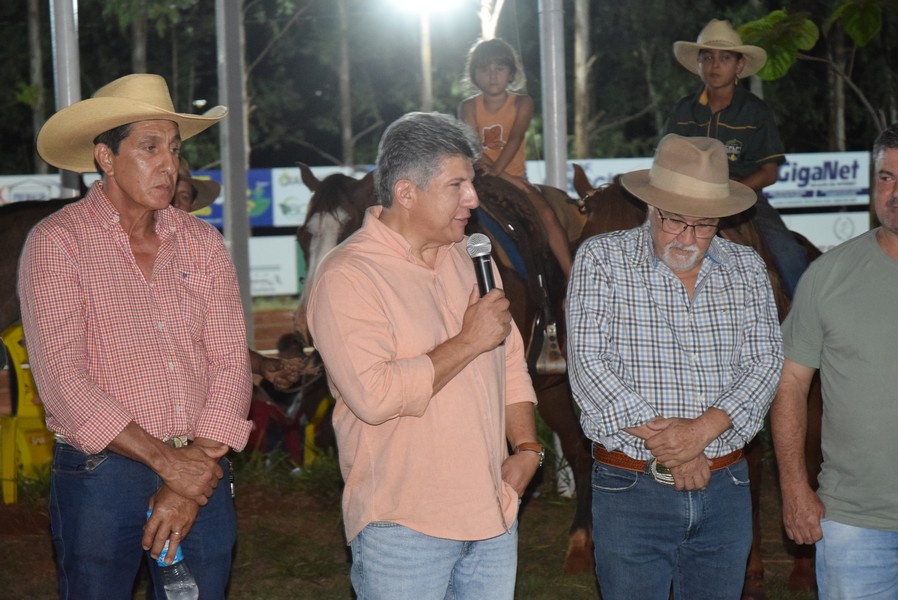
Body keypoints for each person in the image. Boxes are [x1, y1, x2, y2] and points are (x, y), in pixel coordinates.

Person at [17, 73, 253, 599]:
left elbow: (231, 363)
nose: (169, 164)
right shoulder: (58, 243)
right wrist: (171, 466)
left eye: (173, 148)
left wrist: (187, 478)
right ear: (106, 157)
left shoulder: (201, 242)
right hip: (104, 475)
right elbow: (62, 381)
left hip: (201, 465)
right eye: (149, 147)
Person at [306, 112, 542, 600]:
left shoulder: (473, 259)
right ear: (406, 193)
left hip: (493, 514)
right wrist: (467, 341)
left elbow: (510, 362)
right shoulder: (347, 276)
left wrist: (527, 450)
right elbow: (375, 396)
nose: (473, 199)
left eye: (471, 183)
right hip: (403, 528)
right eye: (457, 185)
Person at [566, 134, 784, 599]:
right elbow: (589, 365)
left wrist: (701, 431)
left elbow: (765, 362)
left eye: (704, 225)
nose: (687, 238)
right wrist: (677, 447)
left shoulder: (745, 267)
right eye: (674, 221)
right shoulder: (602, 260)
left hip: (726, 487)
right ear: (650, 207)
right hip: (631, 487)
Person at [771, 124, 898, 598]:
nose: (895, 192)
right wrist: (794, 488)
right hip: (853, 522)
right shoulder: (827, 276)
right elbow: (789, 385)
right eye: (885, 177)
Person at [667, 18, 808, 298]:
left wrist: (731, 189)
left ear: (739, 65)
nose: (714, 65)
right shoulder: (683, 111)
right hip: (685, 200)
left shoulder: (756, 112)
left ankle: (802, 314)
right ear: (698, 63)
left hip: (746, 200)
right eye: (707, 57)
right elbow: (667, 162)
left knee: (788, 252)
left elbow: (769, 172)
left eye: (725, 58)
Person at [458, 37, 573, 279]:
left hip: (512, 176)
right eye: (484, 69)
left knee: (546, 214)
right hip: (480, 177)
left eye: (499, 68)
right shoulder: (468, 107)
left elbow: (515, 138)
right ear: (474, 74)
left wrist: (507, 176)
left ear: (511, 73)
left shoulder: (522, 102)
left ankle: (570, 276)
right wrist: (504, 176)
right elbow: (475, 148)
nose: (492, 76)